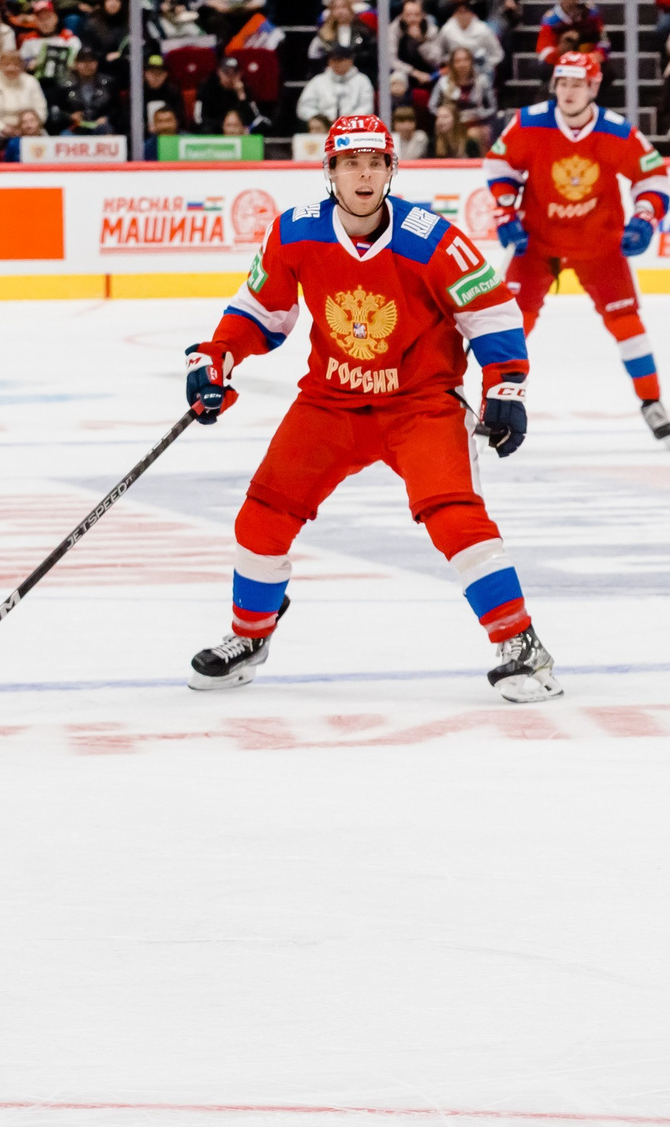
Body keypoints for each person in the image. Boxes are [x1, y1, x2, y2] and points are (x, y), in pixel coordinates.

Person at [181, 116, 558, 703]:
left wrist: (505, 388)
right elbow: (261, 311)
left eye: (375, 163)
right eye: (350, 163)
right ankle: (249, 637)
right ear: (329, 171)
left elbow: (490, 312)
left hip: (420, 404)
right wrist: (218, 357)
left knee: (454, 517)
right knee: (262, 515)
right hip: (331, 402)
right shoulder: (295, 233)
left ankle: (521, 644)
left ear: (391, 170)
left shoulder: (429, 236)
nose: (364, 173)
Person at [482, 50, 670, 443]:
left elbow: (653, 178)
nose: (568, 92)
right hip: (537, 244)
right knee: (511, 327)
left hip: (600, 245)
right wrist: (507, 214)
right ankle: (495, 408)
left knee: (628, 325)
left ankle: (651, 402)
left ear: (594, 87)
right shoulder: (528, 122)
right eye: (563, 83)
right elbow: (499, 168)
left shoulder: (617, 131)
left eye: (577, 84)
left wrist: (644, 218)